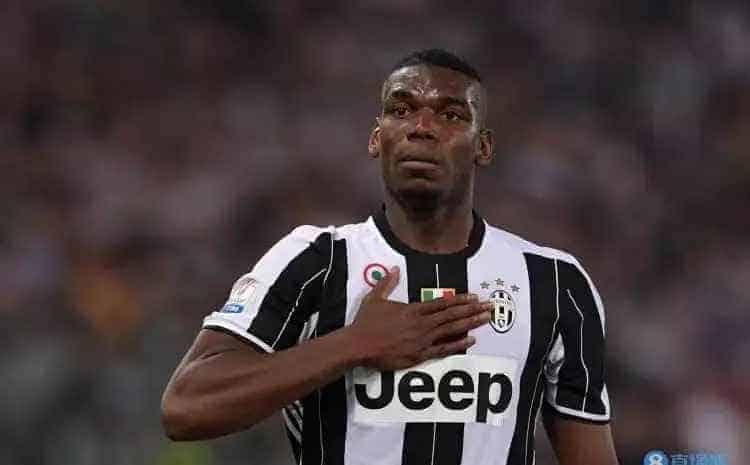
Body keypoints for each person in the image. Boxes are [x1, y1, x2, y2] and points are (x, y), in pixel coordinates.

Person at [161, 49, 619, 465]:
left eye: (451, 115)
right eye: (401, 110)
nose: (422, 127)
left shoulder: (554, 282)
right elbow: (185, 408)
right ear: (377, 138)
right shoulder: (316, 261)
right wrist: (354, 344)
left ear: (483, 147)